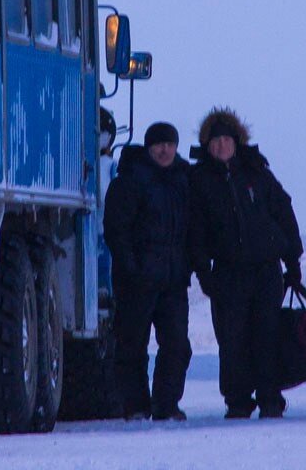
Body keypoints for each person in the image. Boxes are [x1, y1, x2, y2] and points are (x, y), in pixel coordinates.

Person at [188, 107, 303, 420]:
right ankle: (237, 400)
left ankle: (270, 398)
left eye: (226, 139)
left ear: (236, 141)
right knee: (232, 340)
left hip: (266, 270)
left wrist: (293, 260)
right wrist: (203, 274)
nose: (221, 146)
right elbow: (195, 232)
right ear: (207, 145)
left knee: (267, 336)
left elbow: (283, 210)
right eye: (215, 141)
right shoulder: (198, 180)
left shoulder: (256, 172)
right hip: (228, 272)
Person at [103, 122, 193, 421]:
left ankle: (166, 405)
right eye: (158, 144)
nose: (164, 150)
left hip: (173, 280)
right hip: (137, 280)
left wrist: (191, 265)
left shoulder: (184, 179)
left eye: (169, 144)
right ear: (149, 147)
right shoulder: (130, 180)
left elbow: (196, 228)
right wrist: (131, 267)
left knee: (177, 345)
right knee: (131, 346)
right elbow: (117, 230)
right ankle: (136, 406)